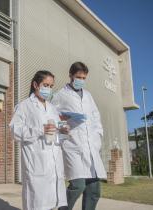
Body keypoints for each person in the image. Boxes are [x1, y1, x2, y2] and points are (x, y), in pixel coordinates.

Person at [9, 70, 68, 210]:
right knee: (37, 204)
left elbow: (56, 136)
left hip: (54, 165)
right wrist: (39, 130)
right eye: (45, 85)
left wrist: (64, 132)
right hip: (36, 164)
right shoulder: (24, 106)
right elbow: (14, 131)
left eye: (51, 86)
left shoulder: (53, 108)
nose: (48, 89)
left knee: (55, 203)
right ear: (36, 84)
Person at [52, 62, 107, 210]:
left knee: (94, 188)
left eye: (84, 78)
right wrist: (62, 125)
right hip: (73, 145)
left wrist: (98, 137)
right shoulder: (60, 95)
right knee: (78, 185)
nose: (81, 80)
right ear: (70, 75)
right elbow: (51, 117)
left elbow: (96, 117)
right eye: (78, 77)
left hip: (91, 146)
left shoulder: (88, 95)